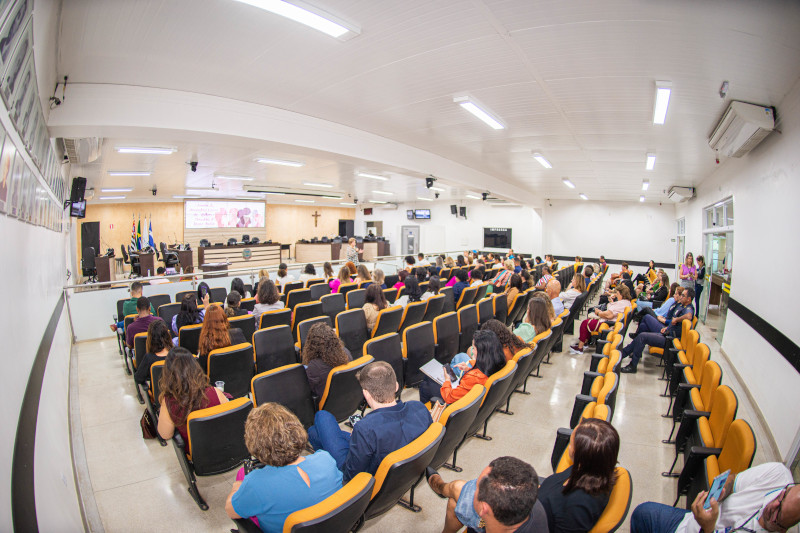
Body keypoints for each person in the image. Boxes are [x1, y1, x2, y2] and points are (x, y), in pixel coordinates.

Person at [225, 403, 343, 531]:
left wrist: (236, 486)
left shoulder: (256, 484)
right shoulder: (325, 459)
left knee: (242, 474)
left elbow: (231, 511)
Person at [308, 361, 431, 481]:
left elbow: (352, 475)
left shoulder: (366, 428)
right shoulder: (419, 408)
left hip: (365, 477)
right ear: (397, 386)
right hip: (404, 470)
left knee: (322, 416)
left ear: (366, 394)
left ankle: (329, 473)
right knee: (314, 433)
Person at [630, 462, 800, 533]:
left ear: (783, 530)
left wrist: (708, 529)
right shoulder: (777, 474)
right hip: (687, 522)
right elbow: (734, 480)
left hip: (704, 528)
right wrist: (723, 490)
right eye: (781, 498)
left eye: (778, 516)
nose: (772, 508)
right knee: (642, 513)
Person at [538, 418, 620, 533]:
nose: (568, 448)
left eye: (570, 444)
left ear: (579, 455)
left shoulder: (577, 506)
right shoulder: (594, 469)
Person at [426, 456, 548, 533]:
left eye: (476, 487)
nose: (472, 487)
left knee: (457, 492)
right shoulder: (534, 507)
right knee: (456, 493)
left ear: (482, 509)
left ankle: (439, 487)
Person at [157, 347, 229, 449]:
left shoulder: (169, 402)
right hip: (224, 447)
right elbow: (230, 417)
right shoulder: (214, 392)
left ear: (168, 374)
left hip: (197, 454)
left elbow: (165, 434)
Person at [418, 330, 507, 405]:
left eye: (474, 348)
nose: (472, 350)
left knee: (425, 385)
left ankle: (432, 416)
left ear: (482, 352)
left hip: (458, 402)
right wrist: (469, 369)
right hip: (472, 397)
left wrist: (447, 380)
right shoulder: (498, 361)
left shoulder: (474, 377)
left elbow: (449, 397)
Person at [620, 287, 695, 373]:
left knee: (642, 336)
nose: (681, 297)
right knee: (644, 326)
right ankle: (626, 352)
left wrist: (676, 319)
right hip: (666, 332)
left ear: (689, 299)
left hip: (670, 340)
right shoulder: (681, 305)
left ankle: (632, 365)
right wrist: (667, 327)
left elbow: (689, 316)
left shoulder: (689, 308)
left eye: (683, 295)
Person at [570, 285, 632, 354]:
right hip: (612, 322)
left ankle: (580, 348)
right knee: (589, 321)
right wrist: (611, 302)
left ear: (621, 294)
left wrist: (598, 313)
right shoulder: (627, 302)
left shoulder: (621, 304)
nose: (616, 295)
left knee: (585, 323)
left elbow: (609, 315)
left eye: (617, 294)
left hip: (609, 323)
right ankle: (584, 342)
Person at [302, 323, 352, 397]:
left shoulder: (315, 366)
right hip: (345, 397)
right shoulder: (346, 352)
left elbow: (309, 389)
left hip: (326, 402)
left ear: (312, 344)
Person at [197, 304, 247, 371]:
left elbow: (203, 371)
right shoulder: (238, 333)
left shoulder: (206, 344)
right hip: (242, 378)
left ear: (206, 323)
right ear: (224, 318)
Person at [133, 319, 173, 385]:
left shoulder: (149, 358)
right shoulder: (177, 354)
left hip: (158, 395)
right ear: (168, 335)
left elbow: (138, 378)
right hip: (176, 393)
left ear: (150, 338)